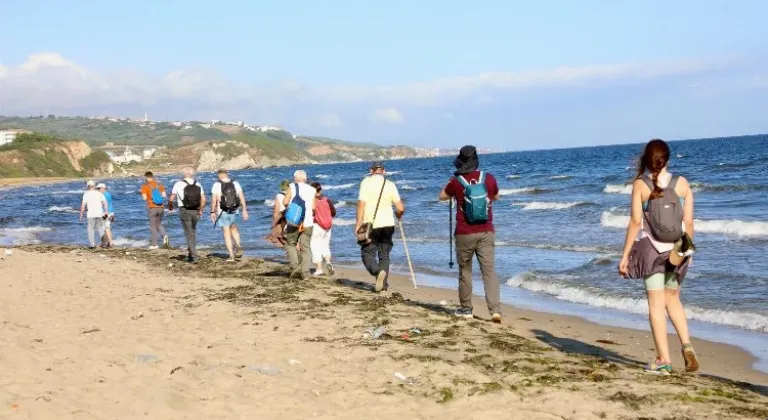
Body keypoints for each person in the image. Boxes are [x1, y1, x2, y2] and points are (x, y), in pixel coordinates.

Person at [619, 139, 699, 376]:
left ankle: (664, 360)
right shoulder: (682, 184)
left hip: (652, 251)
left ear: (647, 159)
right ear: (667, 159)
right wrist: (688, 252)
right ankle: (687, 345)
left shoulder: (640, 185)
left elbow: (635, 223)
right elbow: (689, 223)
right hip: (677, 252)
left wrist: (625, 256)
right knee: (673, 299)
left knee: (656, 304)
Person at [439, 145, 502, 323]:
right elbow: (496, 197)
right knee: (489, 271)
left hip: (464, 233)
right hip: (486, 231)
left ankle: (466, 309)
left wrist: (452, 184)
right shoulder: (488, 178)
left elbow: (441, 196)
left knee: (465, 272)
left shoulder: (456, 182)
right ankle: (495, 310)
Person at [355, 161, 404, 292]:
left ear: (371, 171)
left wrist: (358, 223)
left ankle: (377, 272)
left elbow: (361, 204)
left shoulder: (366, 182)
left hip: (370, 224)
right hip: (388, 224)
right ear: (383, 171)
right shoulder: (390, 185)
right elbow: (400, 208)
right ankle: (383, 285)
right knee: (384, 254)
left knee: (367, 252)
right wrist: (398, 215)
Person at [282, 170, 316, 279]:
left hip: (294, 221)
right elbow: (314, 208)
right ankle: (305, 273)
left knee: (291, 244)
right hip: (308, 222)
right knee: (306, 247)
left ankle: (295, 266)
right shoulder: (312, 190)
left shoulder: (292, 186)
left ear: (295, 178)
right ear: (305, 179)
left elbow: (285, 202)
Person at [210, 169, 249, 262]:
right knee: (234, 228)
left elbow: (214, 200)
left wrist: (212, 212)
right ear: (227, 174)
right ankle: (238, 246)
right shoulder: (235, 183)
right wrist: (244, 210)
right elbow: (242, 197)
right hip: (234, 209)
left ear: (219, 175)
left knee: (226, 233)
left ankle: (231, 255)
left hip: (222, 211)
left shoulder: (217, 184)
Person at [169, 167, 206, 264]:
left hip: (184, 210)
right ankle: (191, 255)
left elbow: (171, 198)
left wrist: (170, 207)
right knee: (192, 232)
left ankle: (194, 256)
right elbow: (204, 199)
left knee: (189, 233)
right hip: (196, 210)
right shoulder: (197, 184)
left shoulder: (178, 184)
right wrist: (201, 209)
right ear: (192, 174)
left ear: (183, 174)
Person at [309, 181, 336, 276]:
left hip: (317, 225)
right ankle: (328, 262)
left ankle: (319, 268)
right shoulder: (326, 199)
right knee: (325, 245)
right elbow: (333, 212)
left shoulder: (312, 200)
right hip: (328, 226)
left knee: (315, 246)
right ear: (320, 189)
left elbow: (310, 213)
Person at [140, 171, 168, 249]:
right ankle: (165, 239)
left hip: (152, 207)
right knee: (158, 224)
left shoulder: (144, 186)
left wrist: (143, 194)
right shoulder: (159, 185)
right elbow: (164, 195)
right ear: (152, 176)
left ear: (146, 177)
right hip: (161, 207)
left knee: (153, 226)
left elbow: (144, 198)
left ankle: (154, 244)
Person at [78, 180, 109, 249]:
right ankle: (104, 244)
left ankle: (92, 245)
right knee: (100, 228)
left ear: (88, 186)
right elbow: (105, 202)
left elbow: (83, 205)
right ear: (94, 186)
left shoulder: (86, 194)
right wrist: (106, 211)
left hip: (91, 214)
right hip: (99, 213)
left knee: (90, 229)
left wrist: (81, 215)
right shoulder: (99, 193)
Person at [266, 180, 290, 248]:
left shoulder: (279, 195)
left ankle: (284, 244)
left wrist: (274, 220)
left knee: (282, 231)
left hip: (283, 214)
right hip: (292, 214)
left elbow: (276, 209)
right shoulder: (292, 194)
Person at [97, 183, 115, 248]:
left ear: (103, 188)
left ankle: (110, 243)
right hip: (111, 212)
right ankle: (106, 243)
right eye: (97, 189)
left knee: (106, 228)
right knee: (105, 228)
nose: (98, 190)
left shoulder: (102, 195)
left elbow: (102, 204)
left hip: (106, 213)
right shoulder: (108, 194)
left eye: (99, 188)